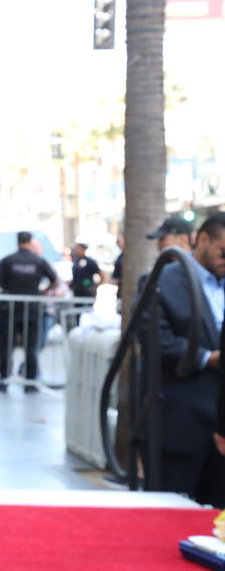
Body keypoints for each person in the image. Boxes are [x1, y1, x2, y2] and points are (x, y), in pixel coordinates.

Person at [140, 213, 225, 506]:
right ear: (202, 240)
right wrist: (207, 358)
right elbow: (155, 340)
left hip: (219, 425)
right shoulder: (165, 279)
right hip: (181, 422)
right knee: (169, 513)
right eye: (222, 251)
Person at [0, 231, 58, 393]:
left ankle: (4, 380)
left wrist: (5, 292)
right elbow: (55, 281)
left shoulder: (8, 260)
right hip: (32, 309)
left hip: (11, 309)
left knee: (7, 345)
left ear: (18, 242)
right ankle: (29, 382)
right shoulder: (38, 261)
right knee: (31, 346)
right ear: (30, 242)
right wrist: (43, 292)